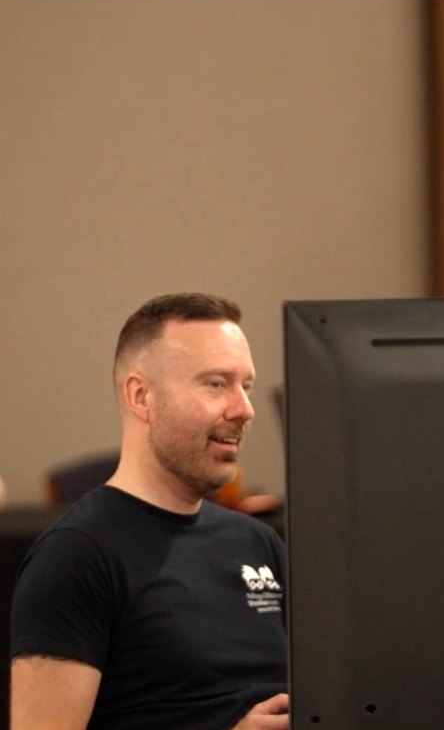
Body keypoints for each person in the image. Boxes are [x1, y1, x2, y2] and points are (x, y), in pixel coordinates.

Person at [9, 293, 289, 730]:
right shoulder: (75, 557)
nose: (243, 409)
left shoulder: (258, 543)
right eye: (216, 384)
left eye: (245, 386)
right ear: (141, 397)